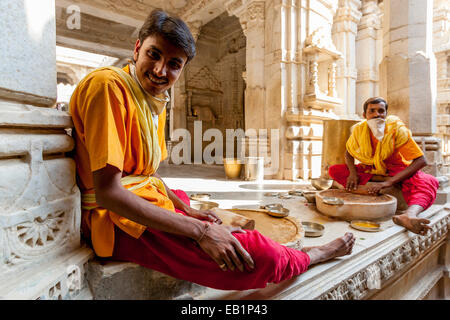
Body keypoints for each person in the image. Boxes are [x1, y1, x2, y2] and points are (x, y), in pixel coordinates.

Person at [69, 9, 355, 291]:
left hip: (138, 199)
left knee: (195, 207)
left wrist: (185, 212)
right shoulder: (107, 86)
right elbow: (108, 193)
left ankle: (198, 220)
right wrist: (201, 232)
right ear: (137, 49)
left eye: (174, 64)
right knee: (261, 257)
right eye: (154, 55)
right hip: (116, 222)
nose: (160, 71)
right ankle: (314, 255)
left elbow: (147, 175)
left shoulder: (152, 100)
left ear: (182, 69)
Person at [328, 97, 439, 236]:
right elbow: (348, 153)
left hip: (395, 170)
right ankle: (377, 180)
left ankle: (409, 215)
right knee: (334, 170)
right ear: (365, 115)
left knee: (429, 181)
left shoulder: (396, 130)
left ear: (386, 113)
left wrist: (389, 182)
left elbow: (421, 161)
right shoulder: (359, 130)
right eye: (372, 111)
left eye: (381, 111)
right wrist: (353, 173)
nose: (376, 114)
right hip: (371, 170)